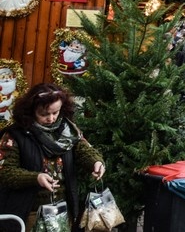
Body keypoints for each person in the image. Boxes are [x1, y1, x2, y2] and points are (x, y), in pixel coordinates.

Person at [0, 83, 106, 231]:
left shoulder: (68, 130)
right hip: (29, 212)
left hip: (63, 209)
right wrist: (36, 178)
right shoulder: (15, 135)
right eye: (44, 114)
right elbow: (5, 172)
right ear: (31, 111)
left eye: (55, 112)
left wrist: (95, 162)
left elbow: (83, 149)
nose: (51, 118)